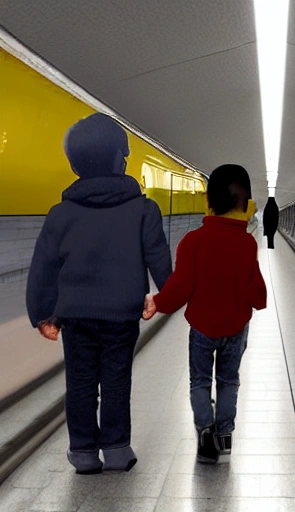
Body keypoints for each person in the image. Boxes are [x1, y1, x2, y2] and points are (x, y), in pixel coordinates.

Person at [26, 113, 171, 474]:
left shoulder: (60, 214)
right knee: (117, 380)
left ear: (75, 164)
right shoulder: (144, 209)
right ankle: (117, 449)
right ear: (118, 159)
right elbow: (158, 258)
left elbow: (43, 268)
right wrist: (165, 297)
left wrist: (43, 314)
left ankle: (84, 453)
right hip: (122, 314)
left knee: (79, 383)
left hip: (75, 316)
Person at [143, 163, 267, 464]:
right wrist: (255, 297)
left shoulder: (193, 242)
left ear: (207, 202)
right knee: (229, 381)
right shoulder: (247, 243)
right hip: (236, 328)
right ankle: (225, 437)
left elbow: (181, 286)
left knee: (199, 381)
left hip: (201, 327)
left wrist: (158, 302)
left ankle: (205, 433)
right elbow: (257, 293)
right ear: (246, 205)